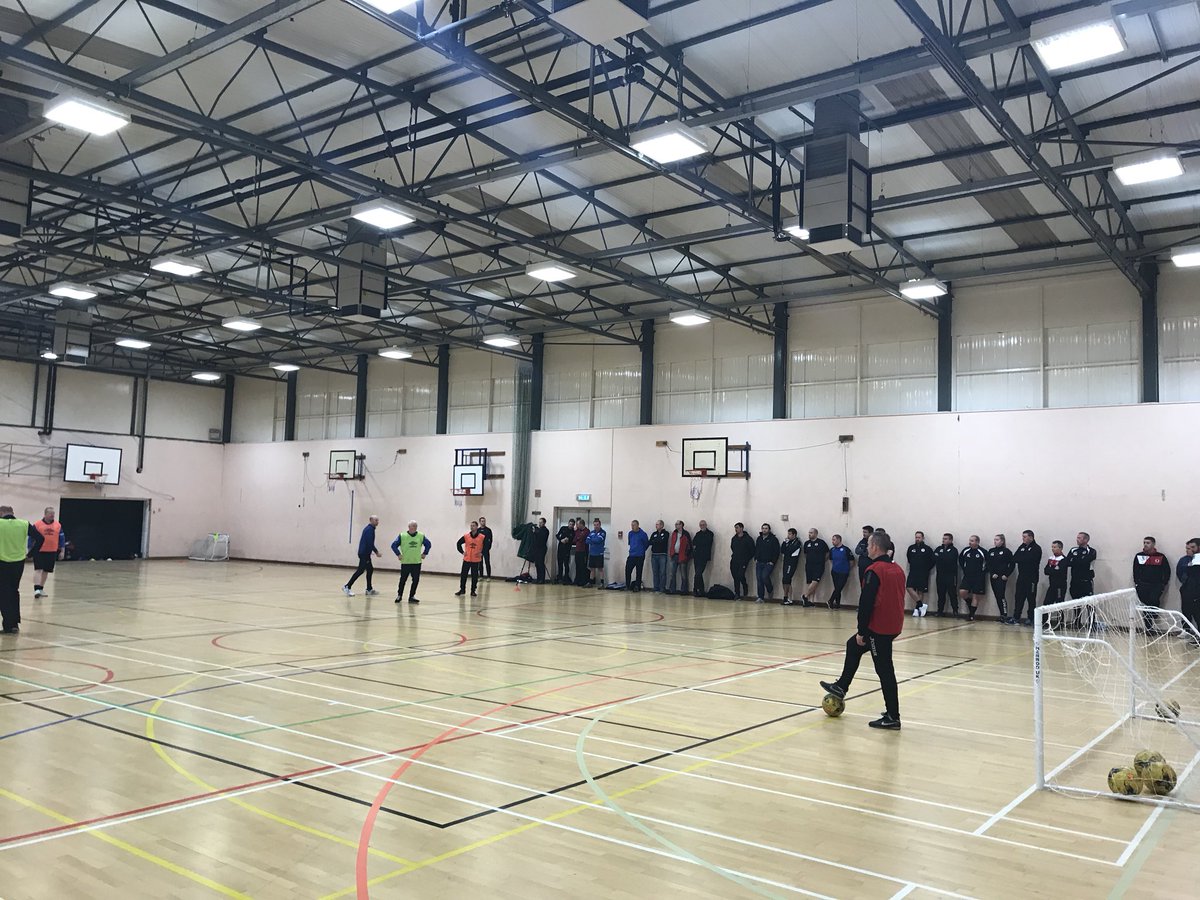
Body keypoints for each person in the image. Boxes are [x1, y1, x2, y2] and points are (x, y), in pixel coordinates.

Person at [820, 530, 905, 730]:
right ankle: (841, 687)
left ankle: (893, 717)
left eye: (868, 545)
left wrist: (862, 631)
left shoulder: (874, 570)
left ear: (874, 547)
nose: (867, 548)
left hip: (879, 628)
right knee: (853, 646)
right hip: (893, 624)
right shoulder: (897, 568)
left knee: (884, 670)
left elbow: (866, 602)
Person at [1, 506, 43, 634]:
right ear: (12, 513)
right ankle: (14, 624)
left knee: (3, 593)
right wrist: (30, 554)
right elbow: (40, 538)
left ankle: (8, 625)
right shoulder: (24, 524)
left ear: (1, 513)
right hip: (18, 562)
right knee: (14, 591)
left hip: (2, 562)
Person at [1132, 536, 1171, 633]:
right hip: (1142, 585)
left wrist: (1163, 583)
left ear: (1153, 544)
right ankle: (1149, 628)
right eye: (1144, 542)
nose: (1145, 544)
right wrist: (1137, 583)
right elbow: (1135, 570)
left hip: (1156, 585)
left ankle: (1154, 615)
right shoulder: (1139, 556)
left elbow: (1167, 571)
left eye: (1148, 543)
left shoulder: (1161, 556)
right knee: (1145, 606)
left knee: (1154, 601)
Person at [391, 520, 431, 604]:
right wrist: (398, 554)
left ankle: (412, 596)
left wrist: (425, 553)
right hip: (406, 562)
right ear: (409, 527)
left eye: (415, 526)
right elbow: (393, 545)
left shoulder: (421, 535)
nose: (414, 527)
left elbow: (428, 544)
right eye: (412, 526)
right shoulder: (402, 535)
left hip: (416, 562)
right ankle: (399, 595)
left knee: (415, 580)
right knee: (403, 580)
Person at [342, 515, 381, 597]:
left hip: (365, 553)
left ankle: (369, 589)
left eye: (377, 520)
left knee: (370, 569)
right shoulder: (369, 529)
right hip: (364, 554)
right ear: (371, 520)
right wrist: (376, 552)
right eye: (376, 520)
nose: (377, 522)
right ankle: (347, 586)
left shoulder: (371, 529)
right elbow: (370, 543)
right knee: (360, 570)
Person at [31, 507, 65, 599]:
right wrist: (30, 549)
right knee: (38, 569)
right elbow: (31, 537)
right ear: (45, 514)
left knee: (46, 571)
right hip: (39, 551)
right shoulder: (37, 525)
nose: (52, 515)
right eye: (50, 514)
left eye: (53, 514)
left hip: (52, 551)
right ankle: (36, 589)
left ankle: (41, 588)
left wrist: (62, 551)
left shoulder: (58, 525)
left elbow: (62, 539)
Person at [1065, 532, 1098, 628]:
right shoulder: (1073, 550)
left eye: (1079, 538)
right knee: (1076, 603)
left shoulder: (1092, 551)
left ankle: (1092, 623)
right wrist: (1077, 560)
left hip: (1086, 581)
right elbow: (1068, 562)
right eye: (1077, 537)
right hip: (1075, 581)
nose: (1077, 539)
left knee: (1089, 603)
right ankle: (1077, 622)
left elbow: (1085, 562)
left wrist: (1075, 560)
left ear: (1086, 540)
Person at [1012, 530, 1043, 626]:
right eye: (1023, 537)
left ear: (1031, 537)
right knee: (1018, 597)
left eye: (1025, 537)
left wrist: (1023, 558)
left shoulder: (1036, 548)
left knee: (1031, 598)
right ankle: (1016, 617)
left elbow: (1030, 560)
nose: (1023, 539)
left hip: (1032, 578)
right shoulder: (1022, 547)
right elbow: (1015, 558)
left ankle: (1031, 618)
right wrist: (1024, 557)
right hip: (1021, 577)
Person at [987, 534, 1016, 624]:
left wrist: (1006, 575)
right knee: (997, 596)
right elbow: (988, 564)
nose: (995, 541)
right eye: (994, 539)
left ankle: (1004, 615)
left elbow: (1012, 564)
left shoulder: (1007, 552)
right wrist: (992, 573)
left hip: (1002, 577)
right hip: (993, 577)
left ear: (1002, 541)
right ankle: (1001, 614)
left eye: (997, 540)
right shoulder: (991, 551)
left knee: (1001, 595)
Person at [904, 531, 934, 616]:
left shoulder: (927, 549)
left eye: (919, 537)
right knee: (909, 587)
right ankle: (920, 604)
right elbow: (909, 558)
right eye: (916, 537)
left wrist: (926, 569)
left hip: (923, 573)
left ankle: (917, 610)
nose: (917, 539)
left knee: (920, 591)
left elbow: (932, 560)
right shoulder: (911, 548)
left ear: (923, 538)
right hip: (913, 571)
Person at [959, 535, 987, 622]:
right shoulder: (966, 551)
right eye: (970, 540)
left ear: (977, 542)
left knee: (976, 596)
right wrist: (965, 569)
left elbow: (988, 564)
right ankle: (969, 603)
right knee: (962, 592)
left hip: (979, 577)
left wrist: (983, 572)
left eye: (972, 541)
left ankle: (971, 615)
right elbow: (961, 560)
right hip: (967, 576)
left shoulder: (982, 552)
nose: (970, 542)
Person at [455, 521, 486, 597]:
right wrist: (462, 552)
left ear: (477, 527)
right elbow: (458, 543)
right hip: (467, 559)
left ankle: (473, 591)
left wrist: (482, 553)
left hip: (476, 560)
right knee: (463, 575)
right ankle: (462, 590)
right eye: (471, 525)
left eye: (473, 526)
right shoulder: (466, 536)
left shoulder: (482, 537)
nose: (472, 527)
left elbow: (487, 546)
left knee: (474, 576)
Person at [932, 533, 959, 617]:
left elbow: (949, 560)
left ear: (951, 540)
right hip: (940, 575)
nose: (943, 540)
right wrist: (942, 557)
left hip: (951, 576)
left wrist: (941, 557)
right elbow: (934, 558)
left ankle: (955, 611)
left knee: (952, 594)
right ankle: (940, 611)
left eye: (946, 539)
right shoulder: (938, 549)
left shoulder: (954, 550)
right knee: (940, 594)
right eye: (943, 538)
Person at [801, 528, 829, 607]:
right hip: (809, 565)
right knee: (810, 582)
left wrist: (822, 560)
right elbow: (805, 554)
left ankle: (805, 596)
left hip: (819, 565)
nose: (809, 534)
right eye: (809, 532)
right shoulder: (807, 543)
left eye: (811, 533)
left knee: (815, 581)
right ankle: (810, 601)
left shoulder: (821, 543)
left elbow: (827, 553)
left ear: (816, 534)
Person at [1179, 539, 1200, 643]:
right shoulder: (1185, 560)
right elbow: (1181, 572)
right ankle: (1186, 630)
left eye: (1193, 547)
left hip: (1197, 591)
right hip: (1188, 590)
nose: (1190, 550)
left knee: (1198, 614)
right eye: (1188, 548)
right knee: (1186, 611)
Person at [754, 523, 780, 603]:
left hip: (769, 563)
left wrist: (773, 561)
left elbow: (776, 551)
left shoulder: (773, 539)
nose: (764, 530)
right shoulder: (759, 538)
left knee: (764, 576)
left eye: (766, 528)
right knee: (759, 579)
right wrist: (756, 558)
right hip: (759, 562)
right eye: (763, 528)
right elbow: (756, 549)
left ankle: (770, 589)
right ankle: (760, 597)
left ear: (769, 530)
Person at [828, 534, 853, 609]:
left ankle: (830, 600)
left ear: (839, 540)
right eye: (832, 540)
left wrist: (847, 568)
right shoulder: (832, 550)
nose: (832, 541)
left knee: (839, 587)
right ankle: (837, 604)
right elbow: (831, 560)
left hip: (844, 572)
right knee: (837, 588)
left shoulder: (846, 549)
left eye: (834, 540)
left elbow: (852, 561)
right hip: (835, 571)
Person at [1043, 541, 1069, 614]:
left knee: (1059, 605)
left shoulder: (1063, 559)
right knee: (1046, 603)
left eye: (1055, 547)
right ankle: (1045, 620)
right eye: (1052, 547)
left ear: (1060, 548)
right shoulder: (1051, 558)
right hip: (1052, 585)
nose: (1052, 549)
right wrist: (1054, 570)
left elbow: (1059, 572)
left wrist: (1052, 570)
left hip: (1060, 586)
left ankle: (1060, 621)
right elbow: (1046, 571)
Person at [730, 522, 754, 599]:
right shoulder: (734, 538)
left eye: (737, 527)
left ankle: (744, 585)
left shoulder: (748, 539)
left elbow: (752, 550)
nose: (736, 529)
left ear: (741, 528)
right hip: (734, 560)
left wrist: (746, 559)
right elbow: (732, 547)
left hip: (743, 561)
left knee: (740, 575)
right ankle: (737, 593)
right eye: (735, 528)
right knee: (735, 576)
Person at [779, 528, 803, 606]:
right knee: (785, 580)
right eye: (788, 534)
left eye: (790, 534)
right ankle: (788, 598)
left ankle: (786, 597)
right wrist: (784, 542)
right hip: (786, 562)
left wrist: (787, 548)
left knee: (787, 579)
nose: (788, 536)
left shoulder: (797, 543)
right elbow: (782, 550)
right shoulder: (787, 542)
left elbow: (790, 551)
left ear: (794, 535)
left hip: (791, 563)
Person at [666, 520, 691, 594]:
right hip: (674, 555)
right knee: (672, 573)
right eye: (675, 524)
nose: (676, 525)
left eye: (677, 524)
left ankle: (684, 590)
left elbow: (689, 545)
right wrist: (671, 553)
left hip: (683, 556)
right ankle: (672, 589)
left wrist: (687, 555)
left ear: (681, 525)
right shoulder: (674, 533)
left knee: (683, 574)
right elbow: (672, 543)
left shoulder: (686, 534)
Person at [691, 520, 714, 597]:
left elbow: (707, 543)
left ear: (706, 525)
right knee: (698, 574)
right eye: (701, 525)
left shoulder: (710, 534)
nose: (702, 526)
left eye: (703, 525)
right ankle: (701, 591)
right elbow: (694, 543)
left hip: (704, 557)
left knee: (698, 573)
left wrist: (699, 545)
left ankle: (695, 589)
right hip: (697, 556)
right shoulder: (698, 534)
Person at [625, 520, 649, 591]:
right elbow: (630, 543)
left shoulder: (643, 534)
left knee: (639, 571)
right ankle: (627, 585)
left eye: (634, 525)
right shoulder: (630, 533)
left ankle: (637, 586)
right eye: (631, 525)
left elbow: (646, 544)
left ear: (638, 525)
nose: (632, 527)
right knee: (628, 570)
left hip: (640, 555)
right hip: (632, 555)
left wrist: (642, 550)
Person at [648, 520, 670, 593]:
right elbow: (650, 542)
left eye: (658, 524)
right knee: (655, 572)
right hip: (654, 555)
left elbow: (663, 541)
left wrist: (655, 541)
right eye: (656, 524)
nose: (656, 526)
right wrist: (657, 540)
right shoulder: (654, 533)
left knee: (662, 572)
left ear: (662, 525)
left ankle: (662, 588)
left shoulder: (666, 533)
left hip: (662, 555)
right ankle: (656, 588)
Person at [585, 518, 607, 588]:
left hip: (599, 553)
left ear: (600, 525)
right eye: (594, 525)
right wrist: (594, 540)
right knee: (592, 569)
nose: (596, 526)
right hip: (592, 553)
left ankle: (602, 583)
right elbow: (587, 541)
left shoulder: (603, 532)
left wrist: (592, 540)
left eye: (597, 525)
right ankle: (590, 582)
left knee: (600, 569)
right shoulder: (591, 532)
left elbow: (598, 540)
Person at [555, 519, 575, 584]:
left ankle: (566, 577)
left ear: (574, 525)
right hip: (560, 549)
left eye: (572, 524)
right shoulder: (563, 528)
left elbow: (573, 540)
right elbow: (557, 535)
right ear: (568, 523)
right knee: (560, 564)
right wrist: (561, 540)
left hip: (567, 550)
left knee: (566, 564)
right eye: (570, 524)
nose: (571, 525)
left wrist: (568, 540)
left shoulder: (573, 532)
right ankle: (560, 577)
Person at [530, 517, 550, 583]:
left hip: (542, 548)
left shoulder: (546, 530)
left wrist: (535, 532)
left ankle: (542, 579)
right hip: (536, 548)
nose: (540, 524)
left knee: (541, 563)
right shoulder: (538, 530)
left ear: (544, 523)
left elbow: (542, 537)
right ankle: (538, 578)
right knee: (537, 564)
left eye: (541, 522)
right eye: (539, 522)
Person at [573, 519, 590, 586]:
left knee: (583, 566)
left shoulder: (587, 531)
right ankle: (577, 580)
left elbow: (582, 538)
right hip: (577, 551)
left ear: (581, 524)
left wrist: (578, 538)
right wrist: (578, 538)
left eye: (578, 524)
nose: (577, 526)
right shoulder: (577, 531)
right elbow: (574, 540)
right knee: (577, 566)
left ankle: (583, 581)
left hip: (584, 551)